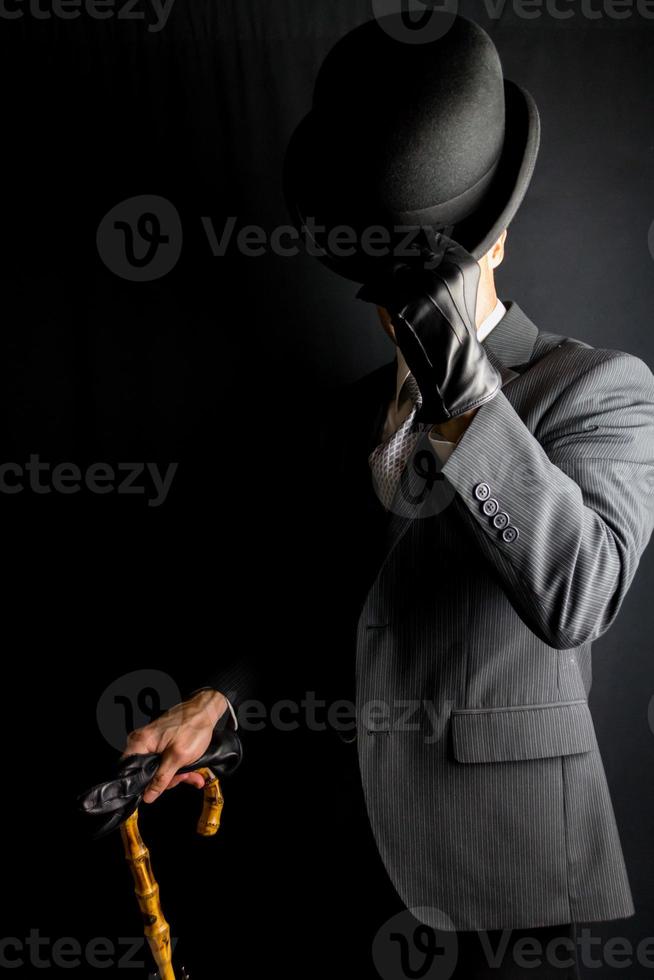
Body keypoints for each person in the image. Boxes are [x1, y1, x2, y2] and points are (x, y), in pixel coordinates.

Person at [122, 13, 654, 978]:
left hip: (510, 876)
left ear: (495, 242)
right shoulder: (342, 419)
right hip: (345, 860)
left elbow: (580, 594)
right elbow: (326, 614)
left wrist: (466, 393)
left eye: (435, 262)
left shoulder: (601, 388)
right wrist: (222, 702)